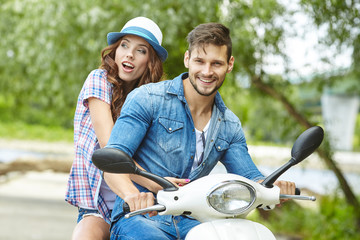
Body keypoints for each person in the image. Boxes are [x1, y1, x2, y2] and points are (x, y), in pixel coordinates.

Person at [103, 22, 296, 239]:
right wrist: (132, 195)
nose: (207, 71)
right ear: (187, 59)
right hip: (141, 217)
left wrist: (274, 187)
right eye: (199, 61)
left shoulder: (229, 125)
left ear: (229, 64)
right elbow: (113, 161)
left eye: (216, 63)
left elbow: (251, 176)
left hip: (194, 221)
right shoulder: (147, 99)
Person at [65, 16, 173, 240]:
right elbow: (111, 152)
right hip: (100, 206)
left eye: (141, 50)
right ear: (115, 50)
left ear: (150, 61)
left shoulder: (154, 99)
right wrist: (159, 184)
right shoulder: (99, 80)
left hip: (143, 205)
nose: (129, 54)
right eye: (124, 45)